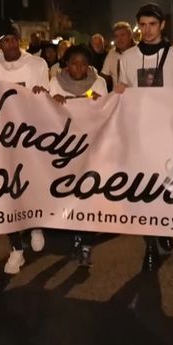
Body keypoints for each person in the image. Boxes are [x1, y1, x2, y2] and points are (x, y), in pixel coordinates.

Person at [116, 3, 173, 272]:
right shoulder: (126, 57)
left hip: (171, 134)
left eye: (153, 24)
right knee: (144, 192)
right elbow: (122, 93)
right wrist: (118, 91)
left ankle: (164, 227)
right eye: (143, 24)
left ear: (162, 25)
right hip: (139, 135)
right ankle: (150, 246)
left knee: (168, 186)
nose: (148, 30)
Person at [0, 19, 50, 274]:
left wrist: (40, 93)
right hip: (2, 138)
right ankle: (16, 250)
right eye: (4, 40)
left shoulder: (37, 64)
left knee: (29, 185)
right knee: (6, 191)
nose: (10, 44)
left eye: (13, 38)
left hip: (32, 135)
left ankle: (35, 225)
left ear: (19, 39)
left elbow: (47, 97)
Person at [48, 45, 108, 267]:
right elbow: (44, 110)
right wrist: (52, 101)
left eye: (84, 63)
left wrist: (94, 100)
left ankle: (86, 244)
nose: (79, 68)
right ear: (66, 64)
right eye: (74, 63)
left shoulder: (98, 82)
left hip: (91, 145)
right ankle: (74, 235)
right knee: (69, 194)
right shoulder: (54, 82)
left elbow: (104, 107)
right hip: (64, 147)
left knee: (88, 195)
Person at [100, 22, 135, 92]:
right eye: (116, 36)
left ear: (130, 35)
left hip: (136, 97)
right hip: (117, 98)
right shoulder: (112, 54)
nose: (119, 39)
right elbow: (103, 77)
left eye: (122, 35)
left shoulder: (140, 52)